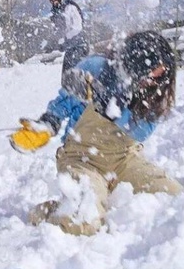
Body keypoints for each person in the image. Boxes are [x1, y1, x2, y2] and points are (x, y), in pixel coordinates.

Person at [10, 31, 182, 236]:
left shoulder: (157, 91)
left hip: (124, 159)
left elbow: (141, 131)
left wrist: (111, 105)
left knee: (174, 197)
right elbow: (63, 102)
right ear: (134, 63)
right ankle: (55, 211)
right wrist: (49, 123)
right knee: (82, 223)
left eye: (161, 73)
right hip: (82, 158)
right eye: (151, 72)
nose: (155, 79)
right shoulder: (96, 69)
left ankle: (100, 193)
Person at [46, 0, 89, 74]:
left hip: (79, 46)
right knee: (67, 74)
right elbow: (59, 29)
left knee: (73, 73)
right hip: (70, 47)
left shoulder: (70, 7)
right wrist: (54, 42)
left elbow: (77, 27)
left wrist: (65, 38)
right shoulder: (56, 11)